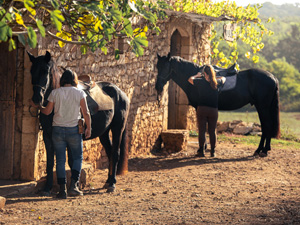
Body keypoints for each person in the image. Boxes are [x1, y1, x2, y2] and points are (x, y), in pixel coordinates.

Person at [30, 69, 91, 199]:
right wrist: (88, 128)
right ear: (75, 80)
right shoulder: (80, 93)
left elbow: (47, 112)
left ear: (62, 80)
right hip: (74, 130)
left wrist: (37, 106)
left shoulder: (55, 93)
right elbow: (86, 113)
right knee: (78, 157)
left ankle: (62, 190)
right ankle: (73, 186)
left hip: (57, 130)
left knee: (60, 161)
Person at [188, 65, 225, 157]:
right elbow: (224, 78)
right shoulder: (217, 83)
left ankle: (201, 151)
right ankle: (213, 152)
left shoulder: (200, 82)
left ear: (204, 73)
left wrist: (197, 75)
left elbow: (190, 79)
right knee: (212, 131)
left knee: (202, 131)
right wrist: (215, 77)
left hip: (202, 109)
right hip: (213, 110)